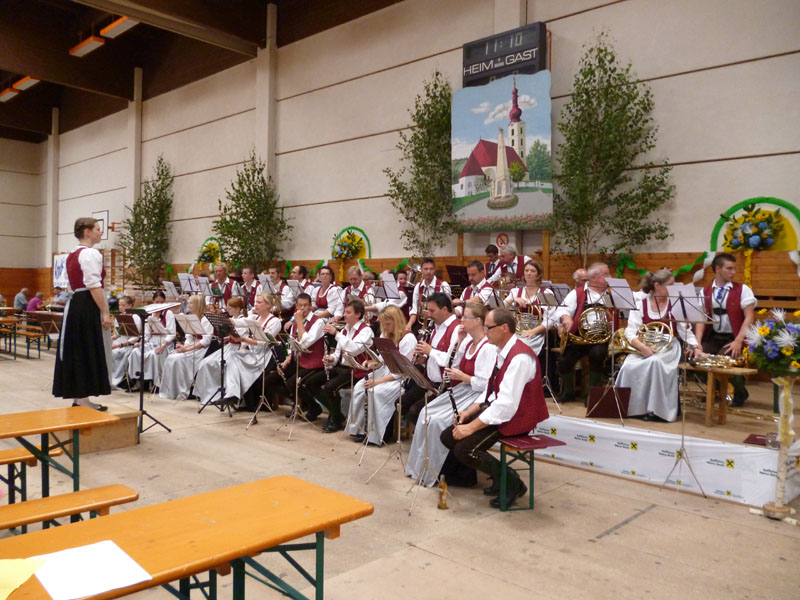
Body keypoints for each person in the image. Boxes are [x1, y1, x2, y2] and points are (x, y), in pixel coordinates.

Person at [440, 308, 549, 508]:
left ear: (504, 328)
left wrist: (471, 427)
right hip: (502, 411)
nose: (485, 331)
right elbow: (491, 390)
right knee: (449, 436)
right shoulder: (501, 350)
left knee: (465, 449)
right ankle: (497, 477)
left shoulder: (520, 358)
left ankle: (512, 482)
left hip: (518, 417)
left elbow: (506, 406)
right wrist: (469, 412)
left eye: (488, 327)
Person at [406, 302, 497, 487]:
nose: (461, 321)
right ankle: (424, 467)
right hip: (464, 390)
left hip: (476, 396)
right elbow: (451, 364)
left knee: (438, 421)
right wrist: (460, 341)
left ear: (477, 321)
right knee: (425, 413)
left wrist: (463, 377)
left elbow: (486, 384)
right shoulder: (468, 342)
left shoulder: (487, 347)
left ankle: (444, 469)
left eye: (465, 317)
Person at [616, 269, 700, 422]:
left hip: (669, 346)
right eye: (670, 285)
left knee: (655, 363)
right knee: (628, 365)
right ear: (657, 285)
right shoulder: (640, 303)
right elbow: (630, 331)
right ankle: (630, 408)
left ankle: (657, 411)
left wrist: (696, 346)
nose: (674, 288)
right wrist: (643, 348)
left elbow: (684, 331)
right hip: (645, 345)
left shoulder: (675, 303)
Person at [52, 217, 112, 411]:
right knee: (87, 349)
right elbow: (94, 285)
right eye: (98, 229)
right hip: (87, 304)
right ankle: (83, 399)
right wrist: (105, 312)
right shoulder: (90, 254)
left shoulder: (72, 253)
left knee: (79, 350)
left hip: (76, 304)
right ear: (87, 232)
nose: (100, 232)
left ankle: (80, 398)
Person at [346, 305, 416, 445]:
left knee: (376, 391)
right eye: (383, 324)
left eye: (388, 324)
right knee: (360, 387)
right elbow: (382, 358)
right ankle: (359, 429)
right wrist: (373, 362)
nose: (385, 327)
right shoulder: (385, 334)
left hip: (400, 378)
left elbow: (403, 370)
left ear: (397, 322)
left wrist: (378, 381)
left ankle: (380, 434)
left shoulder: (408, 338)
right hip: (385, 371)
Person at [695, 252, 756, 406]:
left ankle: (740, 393)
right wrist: (697, 343)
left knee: (725, 361)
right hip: (714, 336)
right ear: (718, 269)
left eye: (734, 268)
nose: (733, 272)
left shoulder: (743, 290)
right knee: (696, 359)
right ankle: (715, 391)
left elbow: (749, 317)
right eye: (729, 268)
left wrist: (738, 341)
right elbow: (701, 319)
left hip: (733, 337)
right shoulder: (705, 291)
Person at [306, 299, 374, 432]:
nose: (344, 315)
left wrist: (336, 334)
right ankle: (336, 414)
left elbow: (353, 349)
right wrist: (331, 358)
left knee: (330, 387)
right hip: (345, 368)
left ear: (358, 314)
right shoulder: (345, 330)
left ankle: (336, 419)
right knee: (311, 382)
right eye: (344, 312)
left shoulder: (366, 331)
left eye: (348, 312)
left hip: (359, 370)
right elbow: (338, 353)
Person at [554, 262, 616, 403]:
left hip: (601, 337)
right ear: (594, 277)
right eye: (606, 274)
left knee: (597, 355)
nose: (610, 277)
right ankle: (568, 393)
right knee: (564, 360)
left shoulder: (611, 294)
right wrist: (566, 318)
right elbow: (561, 310)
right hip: (579, 336)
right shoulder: (577, 293)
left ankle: (591, 395)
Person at [214, 293, 283, 410]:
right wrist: (227, 320)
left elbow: (264, 343)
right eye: (255, 302)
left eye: (259, 302)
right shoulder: (254, 318)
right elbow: (240, 322)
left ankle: (241, 398)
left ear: (268, 305)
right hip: (253, 353)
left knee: (239, 363)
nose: (255, 304)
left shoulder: (275, 321)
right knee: (234, 357)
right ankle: (232, 394)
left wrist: (243, 339)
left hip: (265, 355)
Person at [264, 292, 326, 419]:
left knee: (292, 383)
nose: (302, 308)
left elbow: (305, 343)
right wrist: (287, 360)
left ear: (311, 306)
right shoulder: (295, 322)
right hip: (298, 360)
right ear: (296, 306)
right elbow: (292, 344)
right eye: (300, 305)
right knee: (270, 380)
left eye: (306, 305)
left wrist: (299, 322)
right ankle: (299, 403)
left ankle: (313, 406)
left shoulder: (318, 322)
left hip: (313, 363)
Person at [402, 292, 460, 424]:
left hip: (446, 386)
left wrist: (430, 351)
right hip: (430, 382)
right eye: (428, 310)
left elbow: (452, 360)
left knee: (415, 411)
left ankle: (423, 435)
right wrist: (423, 360)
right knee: (402, 402)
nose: (429, 314)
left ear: (444, 309)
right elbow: (433, 356)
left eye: (432, 311)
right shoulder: (435, 326)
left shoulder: (456, 329)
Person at [195, 297, 250, 406]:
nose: (227, 310)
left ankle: (224, 394)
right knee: (205, 362)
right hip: (229, 347)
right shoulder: (232, 318)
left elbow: (243, 339)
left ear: (237, 309)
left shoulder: (242, 320)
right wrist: (226, 338)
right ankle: (207, 393)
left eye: (230, 308)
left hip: (236, 349)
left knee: (220, 365)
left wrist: (238, 352)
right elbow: (233, 336)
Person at [159, 294, 213, 400]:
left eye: (191, 303)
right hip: (192, 346)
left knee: (178, 360)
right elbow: (189, 337)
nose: (188, 305)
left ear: (197, 304)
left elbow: (206, 341)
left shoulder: (206, 319)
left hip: (202, 349)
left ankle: (183, 389)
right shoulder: (190, 318)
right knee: (171, 357)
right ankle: (171, 390)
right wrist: (184, 346)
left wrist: (187, 349)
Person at [503, 259, 554, 356]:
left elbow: (551, 320)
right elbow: (501, 309)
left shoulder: (546, 293)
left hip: (536, 334)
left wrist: (533, 331)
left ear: (538, 275)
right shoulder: (515, 292)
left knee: (520, 348)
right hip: (517, 331)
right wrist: (512, 299)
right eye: (526, 271)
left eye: (533, 271)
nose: (529, 273)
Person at [128, 291, 176, 391]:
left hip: (165, 342)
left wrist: (163, 345)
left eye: (161, 302)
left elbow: (172, 333)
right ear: (153, 301)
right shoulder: (149, 313)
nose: (159, 305)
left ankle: (154, 383)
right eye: (157, 302)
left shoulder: (168, 313)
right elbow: (147, 334)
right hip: (152, 341)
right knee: (135, 352)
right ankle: (138, 380)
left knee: (153, 355)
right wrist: (140, 342)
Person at [407, 258, 451, 332]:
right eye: (426, 269)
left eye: (431, 269)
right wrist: (409, 324)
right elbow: (414, 309)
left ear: (434, 270)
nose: (428, 272)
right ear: (421, 270)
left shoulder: (443, 285)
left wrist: (431, 314)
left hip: (438, 324)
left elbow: (446, 310)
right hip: (421, 323)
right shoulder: (418, 286)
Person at [110, 295, 142, 390]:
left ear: (130, 305)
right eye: (119, 305)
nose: (120, 307)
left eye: (123, 305)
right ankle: (109, 378)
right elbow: (118, 334)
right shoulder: (118, 317)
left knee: (120, 352)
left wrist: (120, 345)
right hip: (120, 340)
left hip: (129, 343)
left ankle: (119, 380)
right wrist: (110, 338)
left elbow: (136, 336)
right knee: (108, 351)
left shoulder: (135, 317)